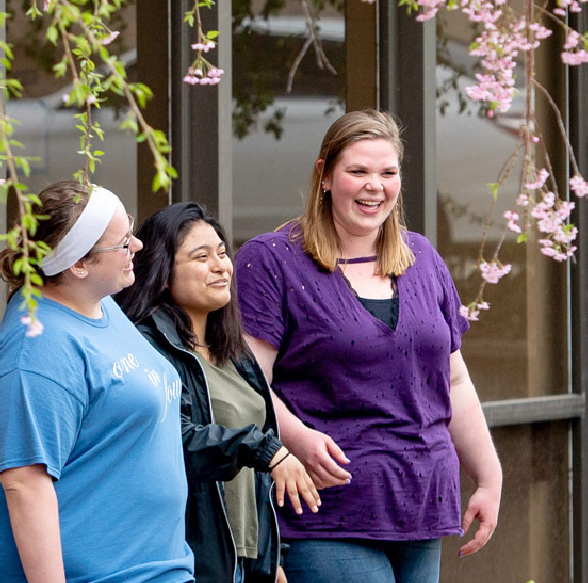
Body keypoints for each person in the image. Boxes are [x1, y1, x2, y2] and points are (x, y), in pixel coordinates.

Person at [233, 108, 503, 583]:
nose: (373, 185)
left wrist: (489, 476)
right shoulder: (272, 260)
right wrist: (297, 437)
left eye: (387, 172)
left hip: (423, 500)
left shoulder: (423, 259)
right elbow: (247, 384)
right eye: (357, 171)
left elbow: (455, 380)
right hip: (326, 506)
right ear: (325, 176)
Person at [0, 181, 194, 583]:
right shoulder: (38, 346)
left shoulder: (99, 303)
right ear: (78, 265)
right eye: (123, 242)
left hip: (157, 568)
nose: (138, 246)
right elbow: (24, 483)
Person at [117, 202, 320, 583]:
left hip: (247, 560)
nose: (221, 265)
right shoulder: (146, 348)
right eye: (201, 257)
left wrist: (270, 556)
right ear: (162, 273)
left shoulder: (235, 353)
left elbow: (254, 481)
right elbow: (172, 438)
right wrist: (265, 449)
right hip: (188, 560)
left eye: (223, 253)